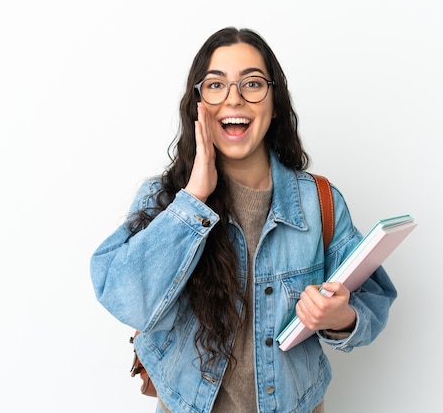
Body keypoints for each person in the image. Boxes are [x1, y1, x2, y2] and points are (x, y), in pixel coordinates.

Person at [90, 26, 397, 413]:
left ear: (274, 100)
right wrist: (195, 198)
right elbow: (129, 300)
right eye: (216, 85)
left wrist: (342, 317)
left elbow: (373, 298)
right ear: (198, 102)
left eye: (251, 84)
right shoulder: (166, 199)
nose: (234, 98)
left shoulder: (319, 202)